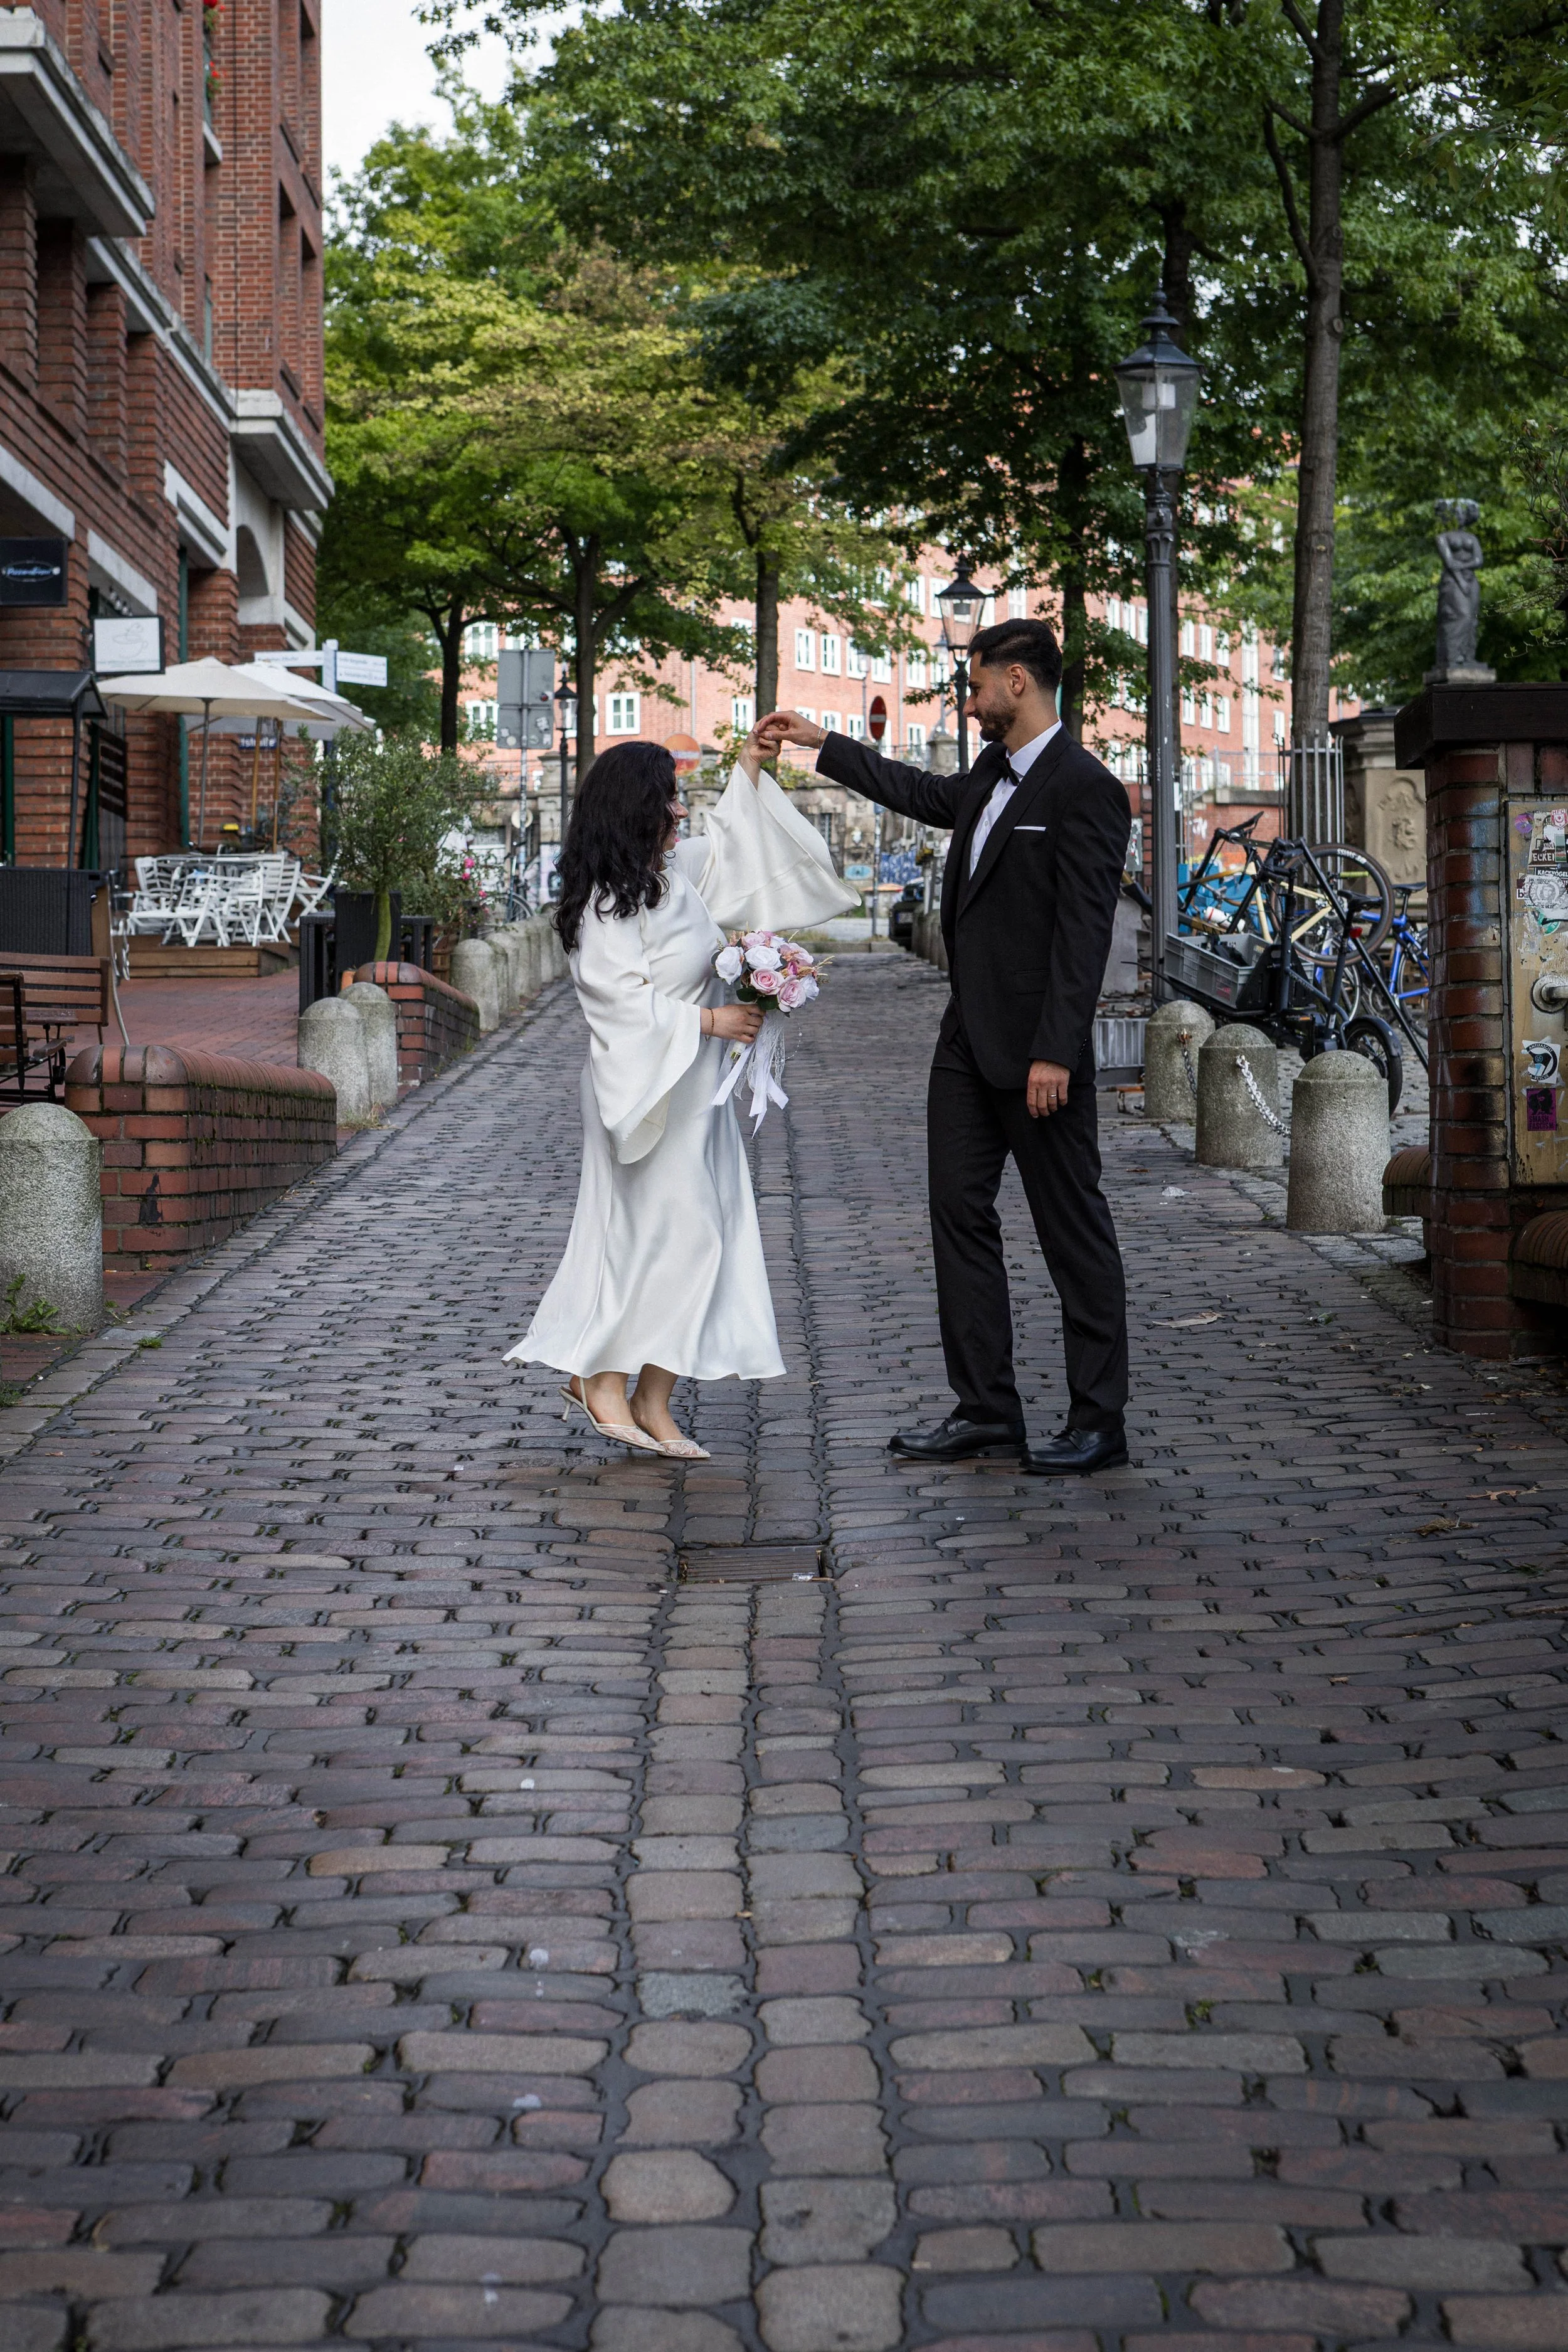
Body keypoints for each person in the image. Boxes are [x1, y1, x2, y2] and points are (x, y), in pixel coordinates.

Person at [760, 614, 1132, 1474]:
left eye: (975, 685)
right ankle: (986, 1410)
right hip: (966, 1040)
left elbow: (1083, 936)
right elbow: (919, 795)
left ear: (1018, 682)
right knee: (958, 1218)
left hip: (1038, 1054)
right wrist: (825, 743)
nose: (968, 702)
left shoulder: (1085, 788)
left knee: (1072, 1228)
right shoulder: (988, 777)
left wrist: (1055, 1050)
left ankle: (1099, 1418)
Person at [505, 730, 856, 1454]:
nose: (681, 812)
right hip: (646, 1086)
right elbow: (614, 998)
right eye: (668, 799)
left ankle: (654, 1398)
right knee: (677, 1237)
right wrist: (709, 1018)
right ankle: (601, 1375)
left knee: (711, 1236)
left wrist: (752, 767)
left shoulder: (676, 875)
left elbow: (736, 842)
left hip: (698, 1091)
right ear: (637, 809)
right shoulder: (606, 903)